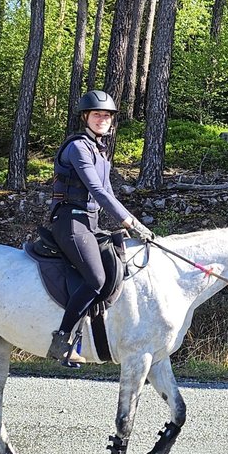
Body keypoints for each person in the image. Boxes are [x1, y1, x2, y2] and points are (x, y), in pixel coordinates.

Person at [46, 89, 155, 364]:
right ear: (86, 117)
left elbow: (109, 193)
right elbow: (96, 189)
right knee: (96, 279)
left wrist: (133, 224)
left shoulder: (100, 152)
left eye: (106, 115)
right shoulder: (78, 147)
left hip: (89, 223)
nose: (102, 119)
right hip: (70, 221)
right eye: (97, 114)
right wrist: (130, 221)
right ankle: (63, 340)